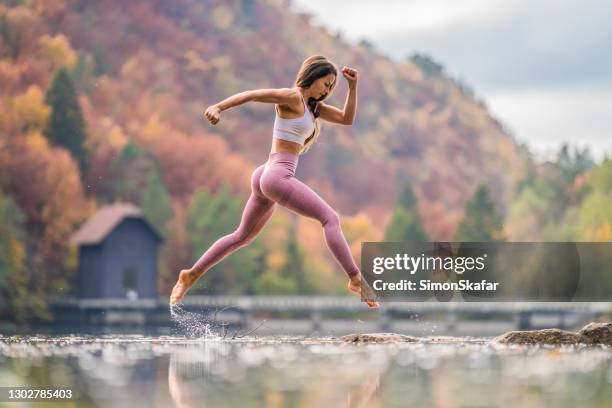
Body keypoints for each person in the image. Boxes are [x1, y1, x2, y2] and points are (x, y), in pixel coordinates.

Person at [170, 55, 379, 308]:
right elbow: (252, 95)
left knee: (241, 237)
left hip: (266, 174)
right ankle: (355, 278)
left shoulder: (314, 108)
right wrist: (218, 107)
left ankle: (191, 273)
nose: (328, 90)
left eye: (332, 87)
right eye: (326, 83)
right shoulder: (292, 97)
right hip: (277, 175)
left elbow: (347, 118)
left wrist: (353, 87)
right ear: (312, 77)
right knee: (330, 218)